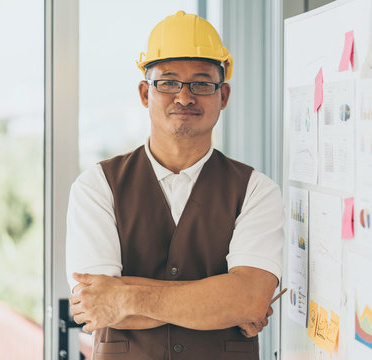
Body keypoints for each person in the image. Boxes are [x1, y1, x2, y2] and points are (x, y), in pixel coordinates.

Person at [66, 11, 284, 360]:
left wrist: (122, 297)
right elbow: (94, 304)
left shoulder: (257, 191)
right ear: (144, 92)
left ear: (223, 95)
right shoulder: (96, 187)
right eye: (168, 82)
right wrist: (221, 302)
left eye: (201, 83)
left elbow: (249, 300)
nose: (184, 97)